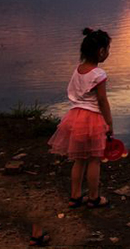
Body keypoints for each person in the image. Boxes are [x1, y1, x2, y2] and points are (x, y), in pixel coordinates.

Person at [48, 28, 113, 209]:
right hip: (92, 119)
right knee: (94, 160)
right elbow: (102, 101)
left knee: (79, 160)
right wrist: (109, 123)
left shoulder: (77, 70)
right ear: (101, 52)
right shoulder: (99, 75)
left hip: (75, 117)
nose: (108, 53)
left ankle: (75, 196)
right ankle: (94, 197)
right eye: (107, 49)